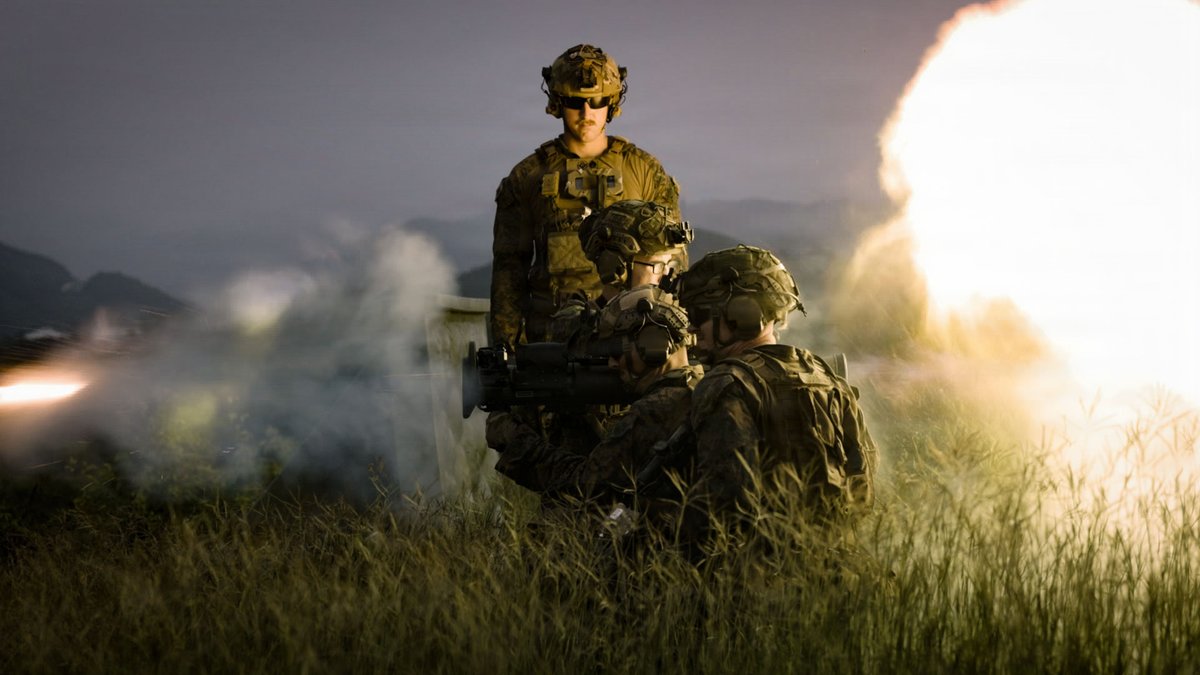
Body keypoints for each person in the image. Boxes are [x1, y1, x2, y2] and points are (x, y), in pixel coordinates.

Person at [670, 245, 877, 556]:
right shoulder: (827, 376)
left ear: (741, 317)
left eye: (700, 315)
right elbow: (863, 490)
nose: (694, 329)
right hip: (834, 567)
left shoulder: (727, 384)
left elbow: (724, 504)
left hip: (760, 579)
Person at [490, 45, 682, 348]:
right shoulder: (527, 177)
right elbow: (509, 271)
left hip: (632, 342)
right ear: (556, 103)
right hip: (552, 346)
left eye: (597, 101)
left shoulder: (644, 171)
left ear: (612, 103)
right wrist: (506, 349)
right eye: (574, 102)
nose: (587, 113)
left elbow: (674, 262)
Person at [487, 285, 701, 513]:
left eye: (616, 352)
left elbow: (584, 485)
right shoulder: (696, 384)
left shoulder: (654, 410)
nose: (611, 363)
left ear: (654, 345)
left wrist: (513, 439)